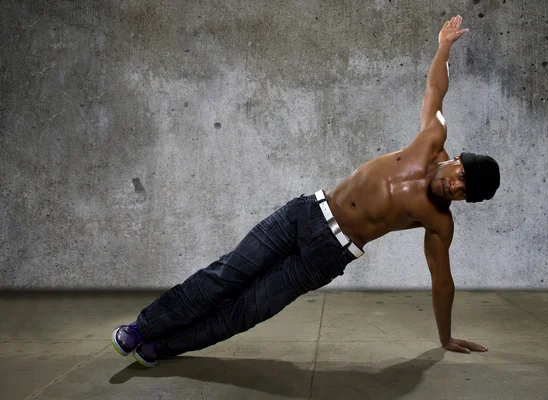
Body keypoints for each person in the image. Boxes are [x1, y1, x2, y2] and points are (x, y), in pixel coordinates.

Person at [111, 15, 499, 367]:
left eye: (464, 191)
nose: (455, 185)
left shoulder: (438, 222)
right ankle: (142, 328)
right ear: (457, 158)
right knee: (225, 276)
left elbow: (442, 280)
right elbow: (435, 87)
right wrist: (443, 45)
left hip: (326, 256)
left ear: (464, 201)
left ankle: (161, 346)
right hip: (305, 214)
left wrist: (445, 337)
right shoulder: (432, 137)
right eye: (461, 174)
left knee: (246, 311)